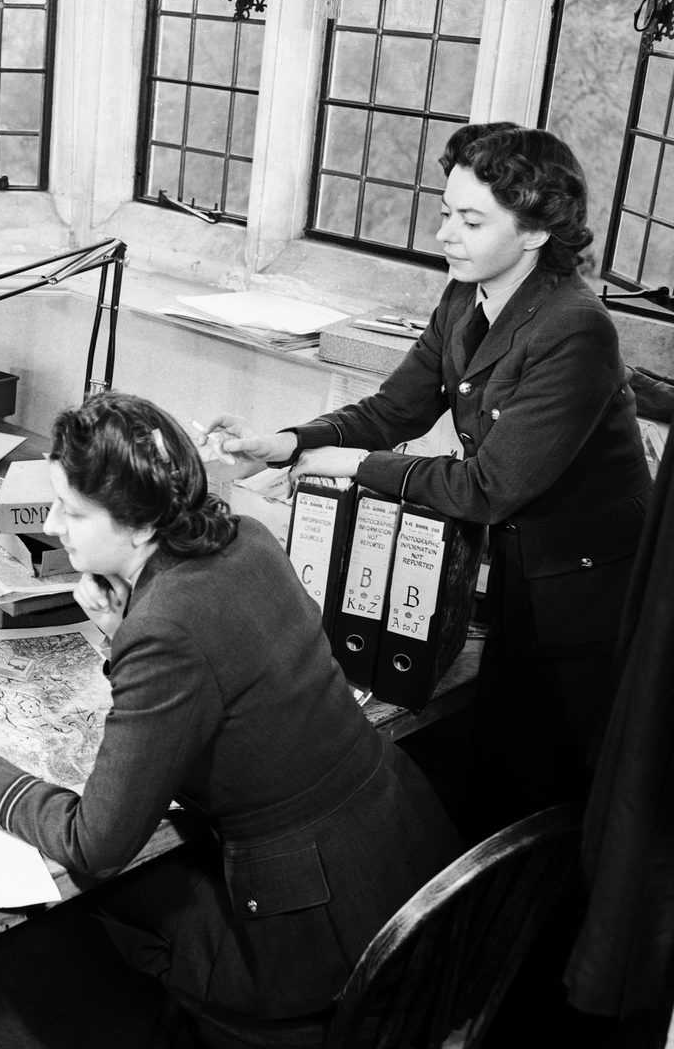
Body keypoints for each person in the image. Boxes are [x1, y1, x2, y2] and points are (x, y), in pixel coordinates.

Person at [0, 392, 462, 1037]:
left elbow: (96, 844)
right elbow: (223, 659)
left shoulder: (165, 628)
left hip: (317, 934)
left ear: (141, 524)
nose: (54, 526)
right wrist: (124, 629)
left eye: (73, 511)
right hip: (404, 854)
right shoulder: (247, 537)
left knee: (85, 906)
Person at [201, 123, 652, 840]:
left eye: (471, 221)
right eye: (446, 212)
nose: (445, 234)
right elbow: (393, 410)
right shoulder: (465, 297)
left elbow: (487, 487)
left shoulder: (575, 328)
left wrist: (352, 465)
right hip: (517, 576)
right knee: (492, 777)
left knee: (547, 804)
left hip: (585, 600)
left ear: (536, 233)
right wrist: (290, 443)